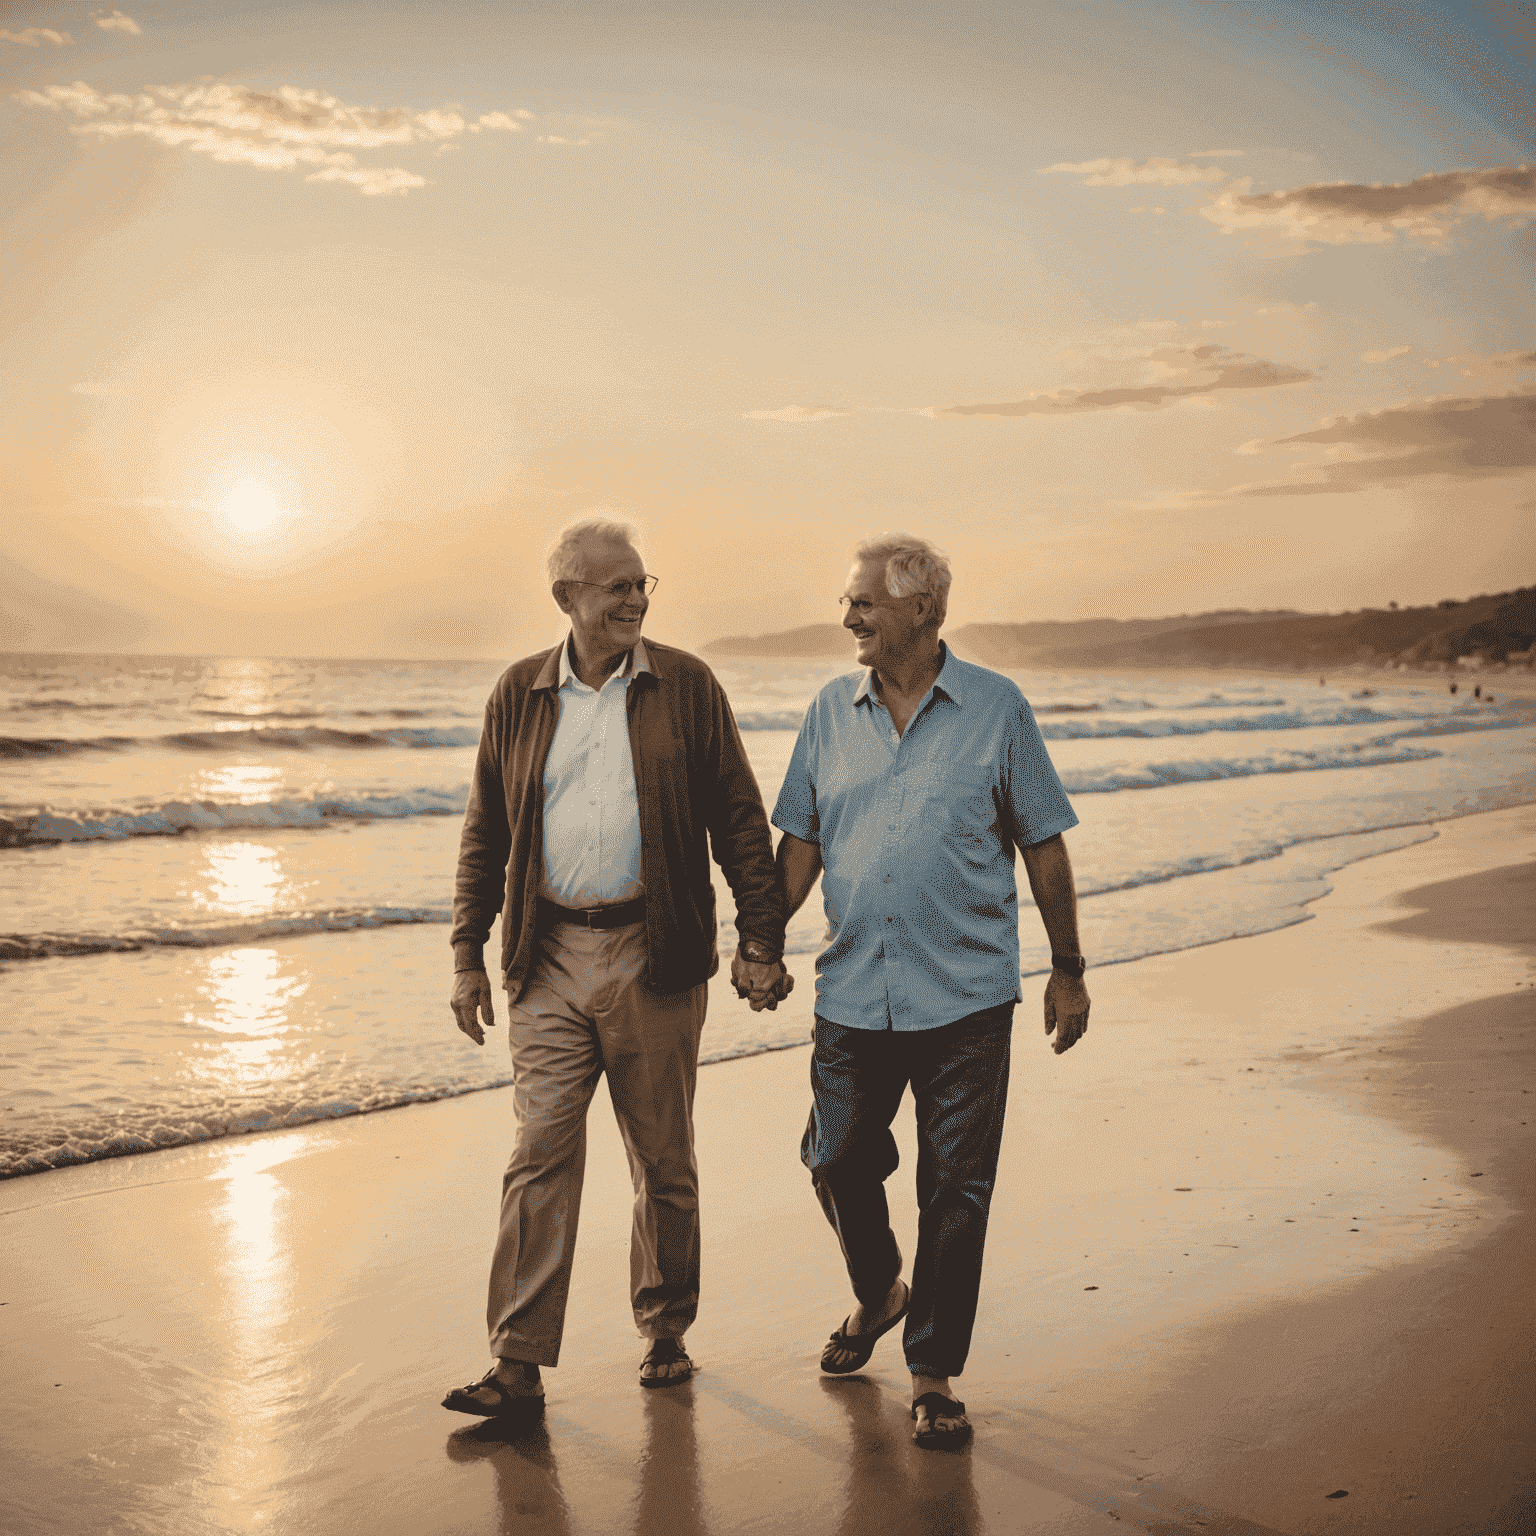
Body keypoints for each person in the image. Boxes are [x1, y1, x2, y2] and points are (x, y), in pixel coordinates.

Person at [441, 518, 791, 1423]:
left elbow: (739, 819)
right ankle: (517, 1363)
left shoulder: (687, 686)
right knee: (538, 1153)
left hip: (655, 950)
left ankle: (665, 1325)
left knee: (661, 1158)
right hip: (546, 953)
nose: (635, 599)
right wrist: (465, 955)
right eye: (616, 587)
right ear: (568, 598)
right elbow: (486, 832)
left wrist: (762, 941)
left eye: (643, 585)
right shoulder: (519, 693)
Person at [771, 533, 1089, 1450]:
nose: (848, 618)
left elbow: (1044, 843)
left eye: (864, 603)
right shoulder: (831, 711)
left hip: (968, 995)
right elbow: (800, 838)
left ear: (922, 610)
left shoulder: (998, 709)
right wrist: (760, 940)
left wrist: (1068, 967)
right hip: (852, 990)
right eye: (848, 602)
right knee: (834, 1158)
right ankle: (879, 1292)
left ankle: (933, 1374)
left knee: (957, 1190)